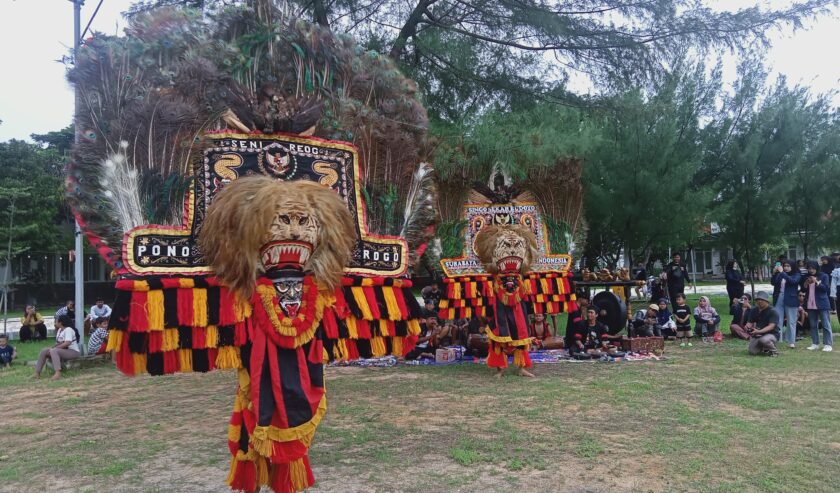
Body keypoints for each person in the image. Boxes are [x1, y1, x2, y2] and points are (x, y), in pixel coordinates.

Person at [33, 315, 81, 380]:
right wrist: (52, 347)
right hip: (62, 351)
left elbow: (67, 343)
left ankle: (57, 373)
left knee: (54, 351)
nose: (55, 322)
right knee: (44, 350)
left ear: (60, 322)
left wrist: (55, 348)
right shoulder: (59, 330)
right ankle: (37, 373)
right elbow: (58, 343)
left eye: (56, 321)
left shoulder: (68, 329)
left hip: (73, 351)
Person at [802, 260, 832, 352]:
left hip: (822, 303)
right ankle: (815, 343)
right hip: (810, 303)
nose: (811, 270)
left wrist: (817, 282)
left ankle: (828, 344)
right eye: (809, 269)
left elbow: (826, 289)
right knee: (813, 324)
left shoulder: (824, 276)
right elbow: (803, 290)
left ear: (816, 268)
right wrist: (805, 284)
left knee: (825, 324)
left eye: (812, 268)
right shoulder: (806, 277)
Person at [771, 260, 801, 348]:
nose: (786, 268)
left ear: (792, 267)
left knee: (791, 321)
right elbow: (773, 283)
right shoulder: (780, 273)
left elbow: (793, 281)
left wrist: (782, 272)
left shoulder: (796, 274)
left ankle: (791, 341)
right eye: (785, 266)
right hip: (779, 297)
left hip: (791, 299)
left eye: (788, 266)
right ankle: (778, 339)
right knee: (778, 319)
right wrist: (774, 273)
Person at [747, 291, 780, 357]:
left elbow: (771, 326)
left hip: (772, 334)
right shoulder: (754, 310)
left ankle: (774, 351)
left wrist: (759, 331)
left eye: (762, 300)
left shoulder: (773, 311)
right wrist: (748, 328)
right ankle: (765, 348)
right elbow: (749, 323)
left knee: (764, 340)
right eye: (758, 300)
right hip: (758, 334)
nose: (759, 301)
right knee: (752, 351)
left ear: (767, 301)